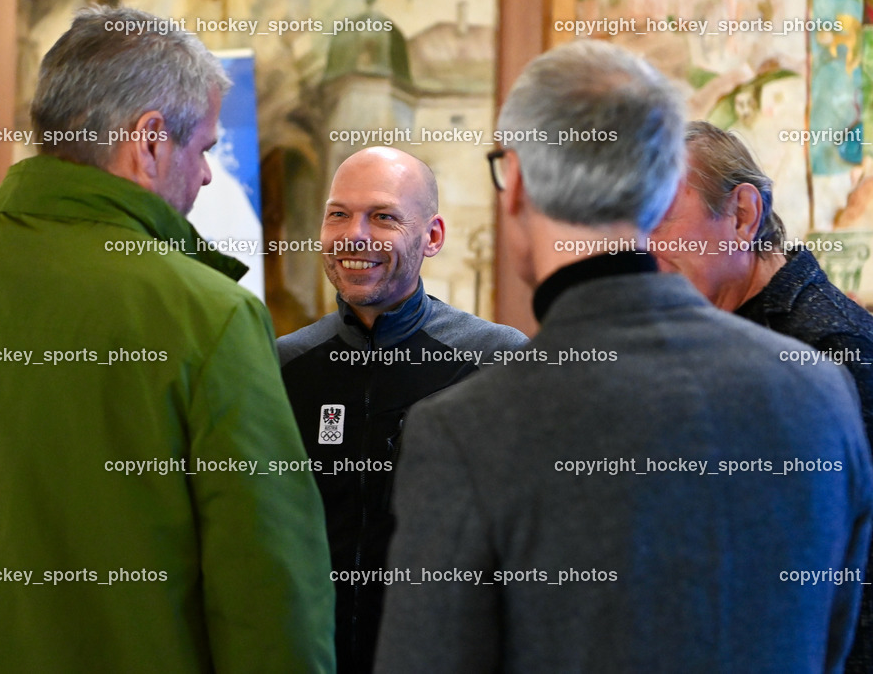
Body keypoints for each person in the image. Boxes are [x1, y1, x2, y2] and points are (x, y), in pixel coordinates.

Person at [0, 6, 333, 673]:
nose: (208, 176)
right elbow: (270, 602)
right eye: (205, 150)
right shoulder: (210, 319)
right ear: (152, 141)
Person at [374, 40, 873, 673]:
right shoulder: (820, 390)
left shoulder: (466, 430)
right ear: (663, 184)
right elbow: (838, 642)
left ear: (517, 181)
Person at [278, 146, 527, 674]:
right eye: (338, 214)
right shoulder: (282, 365)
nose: (354, 235)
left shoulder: (495, 361)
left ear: (432, 236)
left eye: (383, 217)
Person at [650, 119, 873, 673]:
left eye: (658, 218)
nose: (640, 249)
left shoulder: (828, 347)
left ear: (743, 214)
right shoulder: (707, 327)